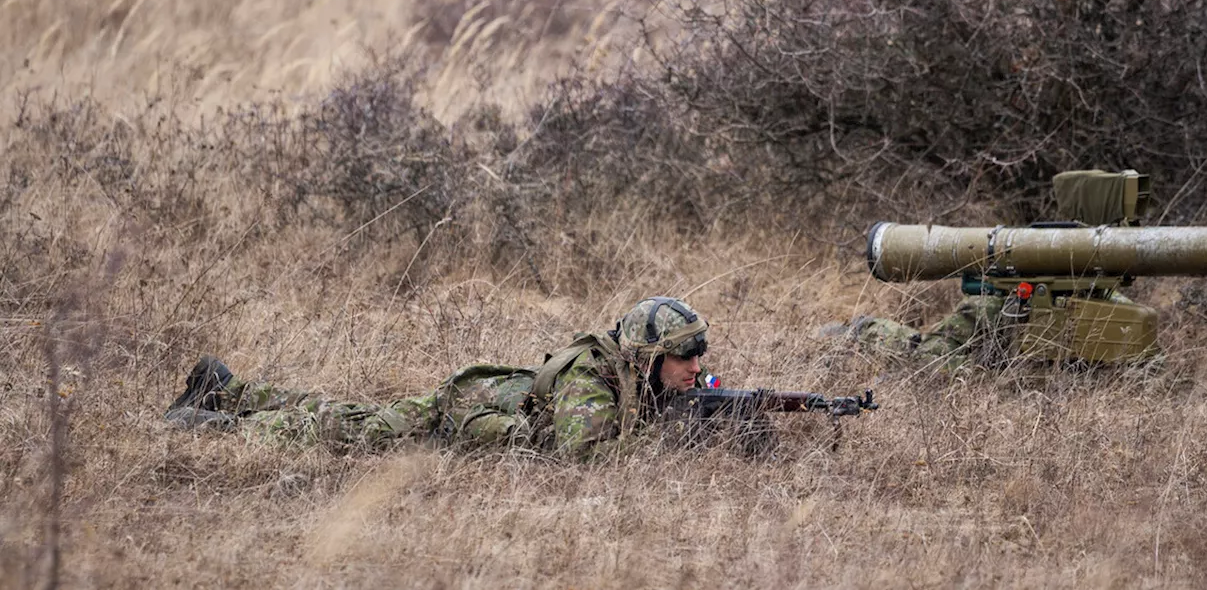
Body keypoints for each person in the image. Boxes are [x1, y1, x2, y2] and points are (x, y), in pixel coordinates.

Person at [164, 296, 712, 460]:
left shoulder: (650, 377)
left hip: (490, 404)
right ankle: (216, 425)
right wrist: (672, 436)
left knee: (351, 414)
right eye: (685, 355)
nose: (696, 366)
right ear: (646, 356)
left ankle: (229, 389)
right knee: (355, 429)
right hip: (464, 407)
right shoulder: (593, 382)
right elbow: (582, 456)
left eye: (698, 354)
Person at [830, 170, 1148, 366]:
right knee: (932, 357)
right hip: (1000, 304)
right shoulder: (996, 300)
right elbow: (941, 360)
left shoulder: (1111, 306)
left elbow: (1150, 367)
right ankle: (865, 332)